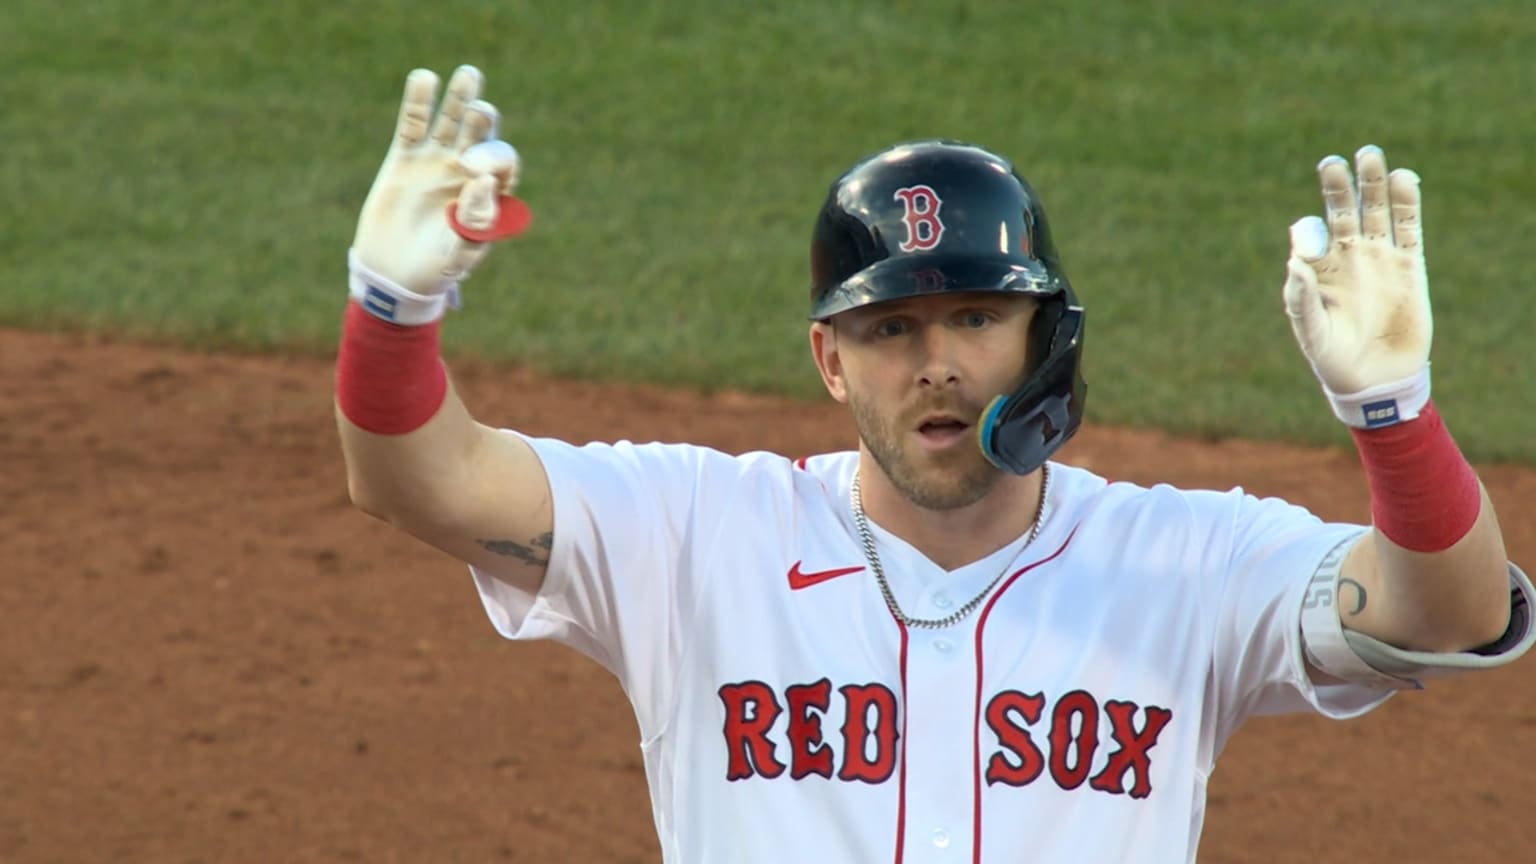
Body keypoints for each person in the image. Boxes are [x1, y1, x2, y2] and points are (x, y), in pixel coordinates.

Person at [333, 65, 1533, 862]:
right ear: (830, 361)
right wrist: (391, 310)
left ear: (1044, 335)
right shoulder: (694, 535)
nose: (938, 364)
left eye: (974, 317)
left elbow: (1453, 611)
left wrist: (1392, 413)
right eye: (890, 329)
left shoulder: (1189, 561)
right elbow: (417, 479)